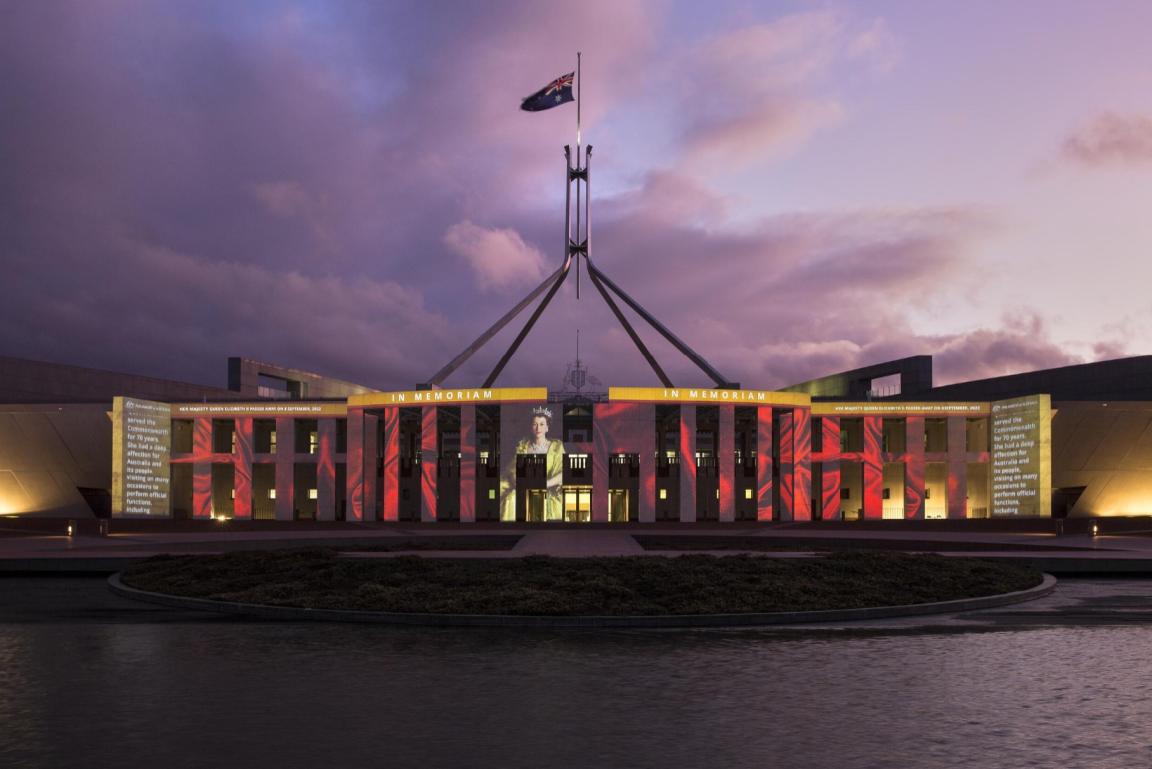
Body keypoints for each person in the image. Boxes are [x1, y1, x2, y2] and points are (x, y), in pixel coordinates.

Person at [500, 406, 565, 521]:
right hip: (525, 488)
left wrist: (545, 484)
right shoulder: (523, 446)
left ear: (547, 428)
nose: (538, 428)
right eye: (535, 424)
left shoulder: (556, 447)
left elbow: (563, 472)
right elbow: (514, 469)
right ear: (531, 427)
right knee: (510, 498)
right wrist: (522, 483)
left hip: (549, 489)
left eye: (542, 424)